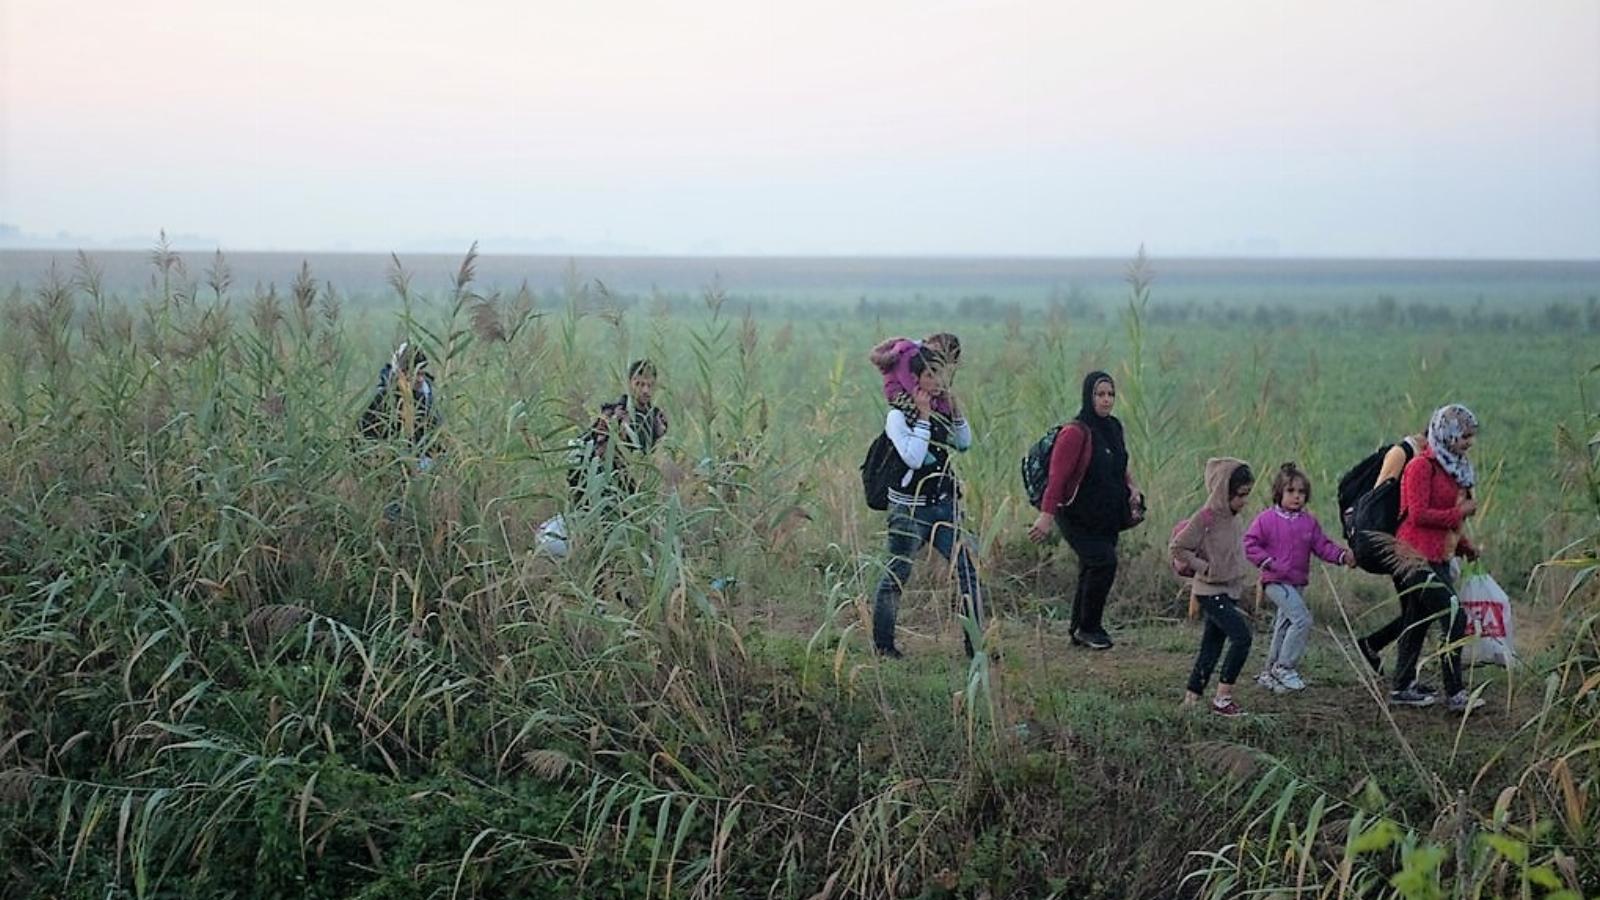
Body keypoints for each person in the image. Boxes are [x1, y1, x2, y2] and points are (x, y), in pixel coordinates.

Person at [871, 349, 984, 659]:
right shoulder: (898, 416)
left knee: (968, 570)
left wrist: (955, 409)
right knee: (897, 575)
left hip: (944, 505)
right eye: (929, 374)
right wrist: (922, 417)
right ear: (915, 378)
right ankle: (883, 645)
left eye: (940, 373)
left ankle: (976, 646)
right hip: (909, 509)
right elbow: (914, 457)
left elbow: (963, 443)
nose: (937, 381)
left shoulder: (940, 409)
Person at [1026, 371, 1144, 649]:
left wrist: (1132, 488)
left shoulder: (1114, 427)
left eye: (1110, 394)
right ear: (1088, 396)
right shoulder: (1075, 432)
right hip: (1076, 515)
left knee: (1090, 568)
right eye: (1100, 394)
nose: (1106, 400)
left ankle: (1078, 629)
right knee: (1104, 562)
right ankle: (1090, 627)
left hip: (1107, 515)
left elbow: (1119, 463)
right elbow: (1058, 477)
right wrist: (1045, 516)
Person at [1387, 404, 1483, 712]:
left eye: (1471, 436)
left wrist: (1465, 546)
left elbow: (1447, 524)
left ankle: (1402, 686)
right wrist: (1460, 512)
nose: (1469, 442)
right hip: (1414, 556)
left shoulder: (1452, 467)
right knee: (1455, 617)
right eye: (1464, 436)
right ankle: (1455, 693)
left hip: (1437, 554)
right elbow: (1418, 514)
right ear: (1447, 434)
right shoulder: (1421, 467)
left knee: (1417, 620)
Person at [1243, 463, 1355, 693]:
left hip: (1297, 582)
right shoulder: (1266, 519)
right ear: (1279, 493)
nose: (1296, 497)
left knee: (1284, 624)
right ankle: (1285, 667)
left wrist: (1343, 556)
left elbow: (1323, 546)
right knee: (1301, 619)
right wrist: (1269, 563)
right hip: (1275, 580)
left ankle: (1269, 671)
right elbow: (1249, 543)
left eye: (1301, 492)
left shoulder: (1308, 523)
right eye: (1291, 491)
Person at [1172, 459, 1256, 717]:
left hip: (1229, 590)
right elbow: (1178, 547)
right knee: (1242, 638)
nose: (1243, 501)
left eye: (1246, 495)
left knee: (1212, 645)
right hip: (1210, 591)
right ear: (1224, 491)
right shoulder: (1206, 517)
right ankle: (1222, 698)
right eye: (1240, 495)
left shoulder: (1233, 518)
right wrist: (1203, 567)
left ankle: (1192, 697)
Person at [1354, 430, 1427, 673]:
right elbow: (1379, 499)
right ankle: (1403, 679)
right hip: (1395, 543)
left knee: (1417, 609)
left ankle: (1374, 644)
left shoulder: (1422, 459)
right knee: (1418, 609)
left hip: (1405, 544)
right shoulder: (1402, 453)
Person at [569, 359, 670, 509]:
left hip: (636, 487)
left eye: (650, 385)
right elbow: (591, 449)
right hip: (605, 485)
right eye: (640, 384)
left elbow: (656, 454)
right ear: (630, 384)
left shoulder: (657, 420)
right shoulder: (613, 414)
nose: (645, 391)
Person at [358, 340, 440, 469]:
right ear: (401, 372)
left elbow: (435, 430)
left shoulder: (426, 393)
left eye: (422, 373)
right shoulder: (383, 398)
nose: (420, 379)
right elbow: (363, 434)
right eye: (415, 373)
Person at [869, 332, 961, 418]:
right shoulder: (907, 354)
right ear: (936, 346)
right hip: (899, 393)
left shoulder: (915, 352)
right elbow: (907, 381)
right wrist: (931, 403)